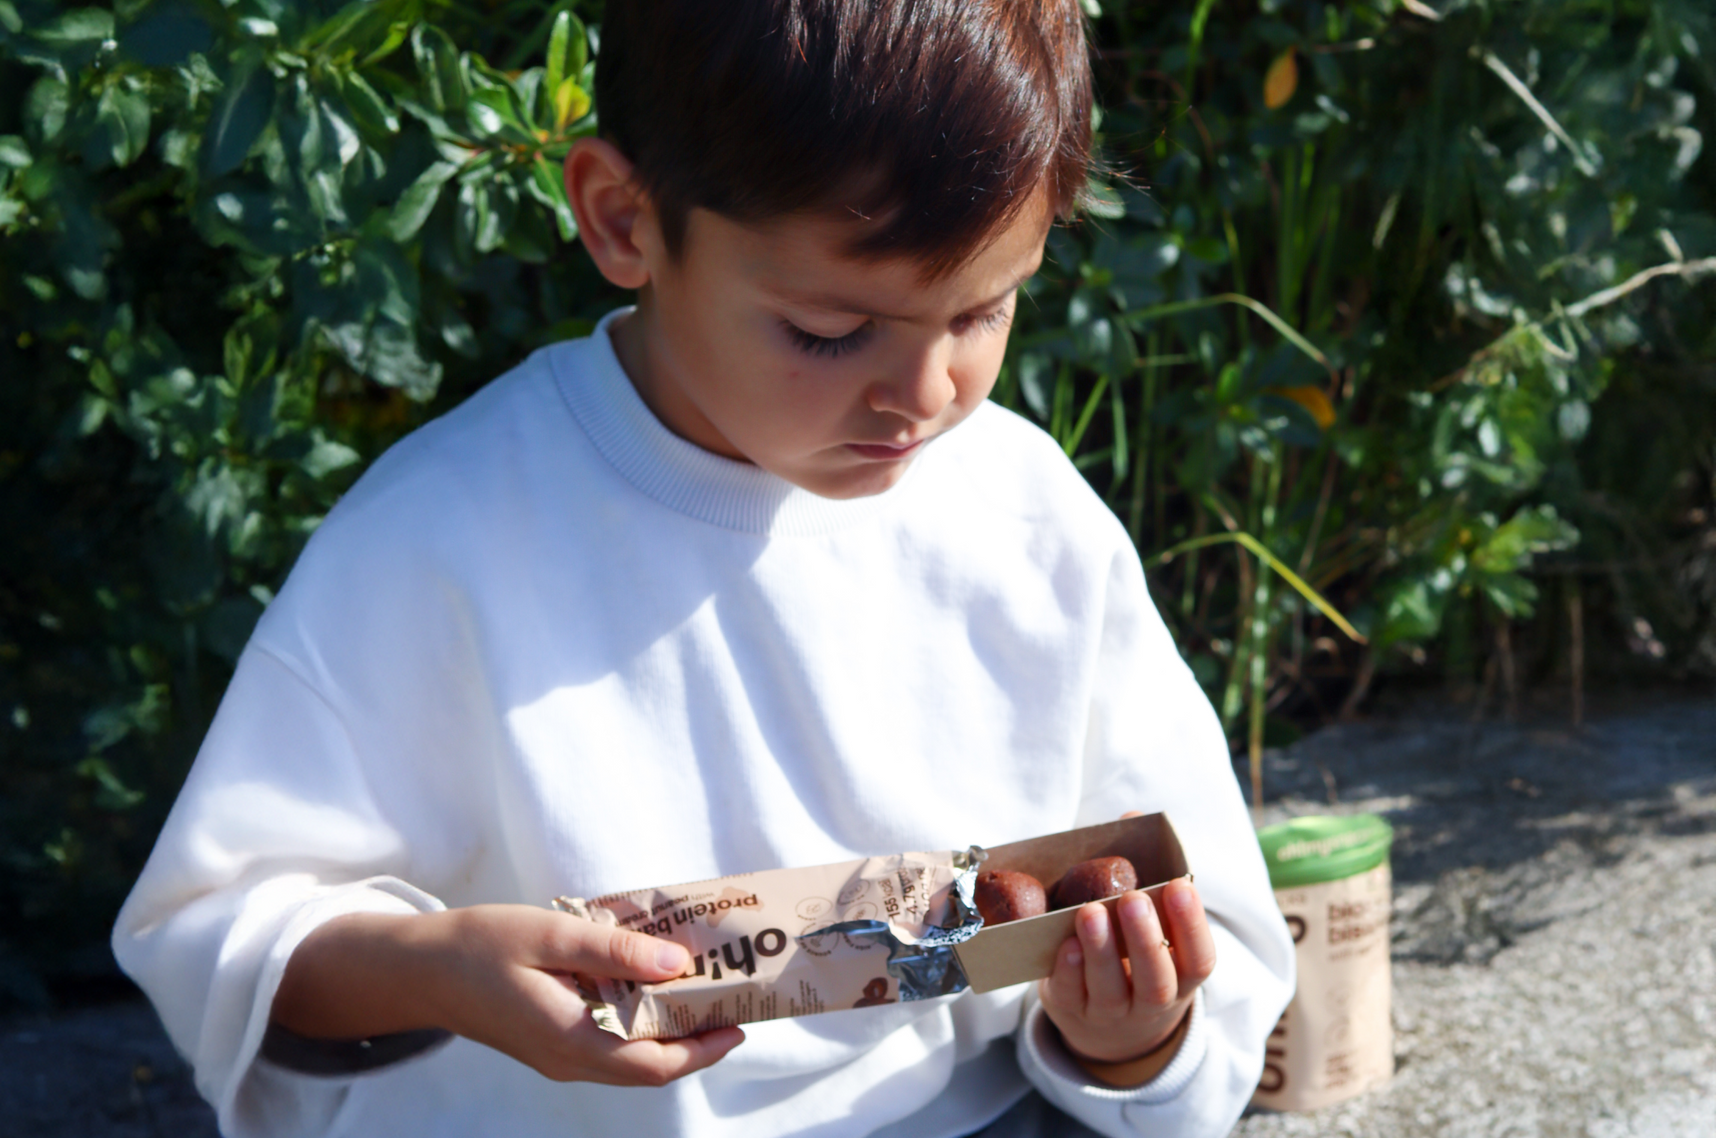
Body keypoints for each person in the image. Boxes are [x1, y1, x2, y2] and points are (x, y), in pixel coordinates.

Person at [112, 1, 1295, 1135]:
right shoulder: (442, 538)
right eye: (829, 332)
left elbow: (1208, 943)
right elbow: (225, 940)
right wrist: (438, 971)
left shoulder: (1021, 515)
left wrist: (1131, 1034)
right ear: (623, 220)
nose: (924, 395)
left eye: (982, 313)